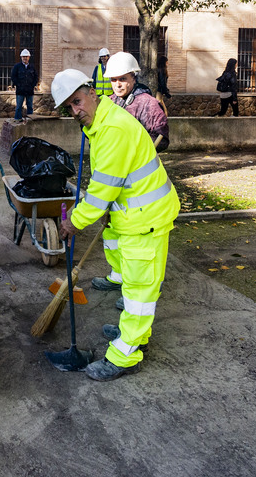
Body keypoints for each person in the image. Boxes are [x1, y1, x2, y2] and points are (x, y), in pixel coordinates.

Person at [51, 69, 179, 381]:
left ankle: (125, 354)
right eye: (69, 107)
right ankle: (133, 333)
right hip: (137, 216)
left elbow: (101, 191)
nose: (76, 111)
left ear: (92, 93)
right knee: (136, 287)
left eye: (78, 101)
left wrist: (73, 224)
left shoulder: (113, 130)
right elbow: (115, 182)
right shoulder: (104, 123)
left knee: (137, 292)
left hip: (145, 221)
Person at [103, 52, 168, 152]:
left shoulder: (148, 104)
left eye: (122, 79)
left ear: (134, 78)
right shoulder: (109, 101)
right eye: (113, 80)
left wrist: (131, 147)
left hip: (138, 165)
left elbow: (162, 140)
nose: (117, 85)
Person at [10, 48, 38, 121]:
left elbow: (36, 77)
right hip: (20, 90)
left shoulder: (32, 67)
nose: (25, 58)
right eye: (23, 56)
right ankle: (17, 121)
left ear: (29, 57)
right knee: (19, 107)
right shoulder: (17, 66)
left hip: (29, 90)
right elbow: (13, 76)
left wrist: (32, 85)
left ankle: (30, 121)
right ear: (21, 57)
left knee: (30, 107)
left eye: (26, 56)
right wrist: (18, 85)